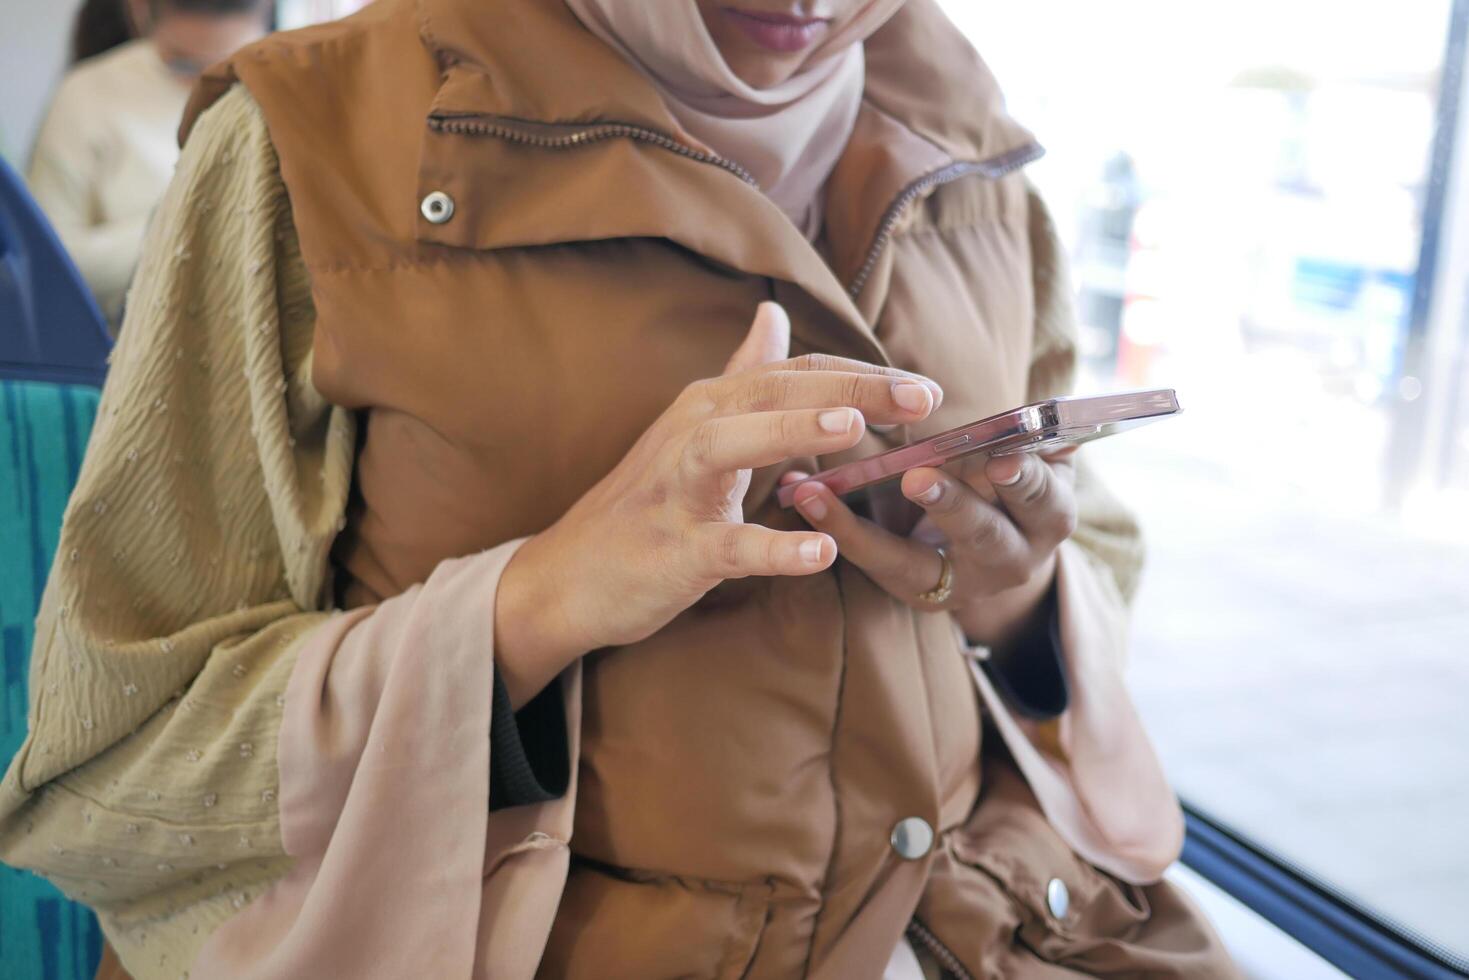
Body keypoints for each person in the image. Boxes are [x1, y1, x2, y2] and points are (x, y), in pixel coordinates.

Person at [0, 1, 1243, 978]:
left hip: (994, 924)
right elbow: (109, 764)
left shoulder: (979, 157)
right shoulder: (300, 147)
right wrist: (541, 596)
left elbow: (1099, 567)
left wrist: (1018, 597)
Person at [26, 0, 269, 332]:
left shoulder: (289, 89)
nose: (205, 85)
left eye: (231, 66)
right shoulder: (84, 96)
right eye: (182, 63)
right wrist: (187, 225)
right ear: (140, 10)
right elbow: (44, 267)